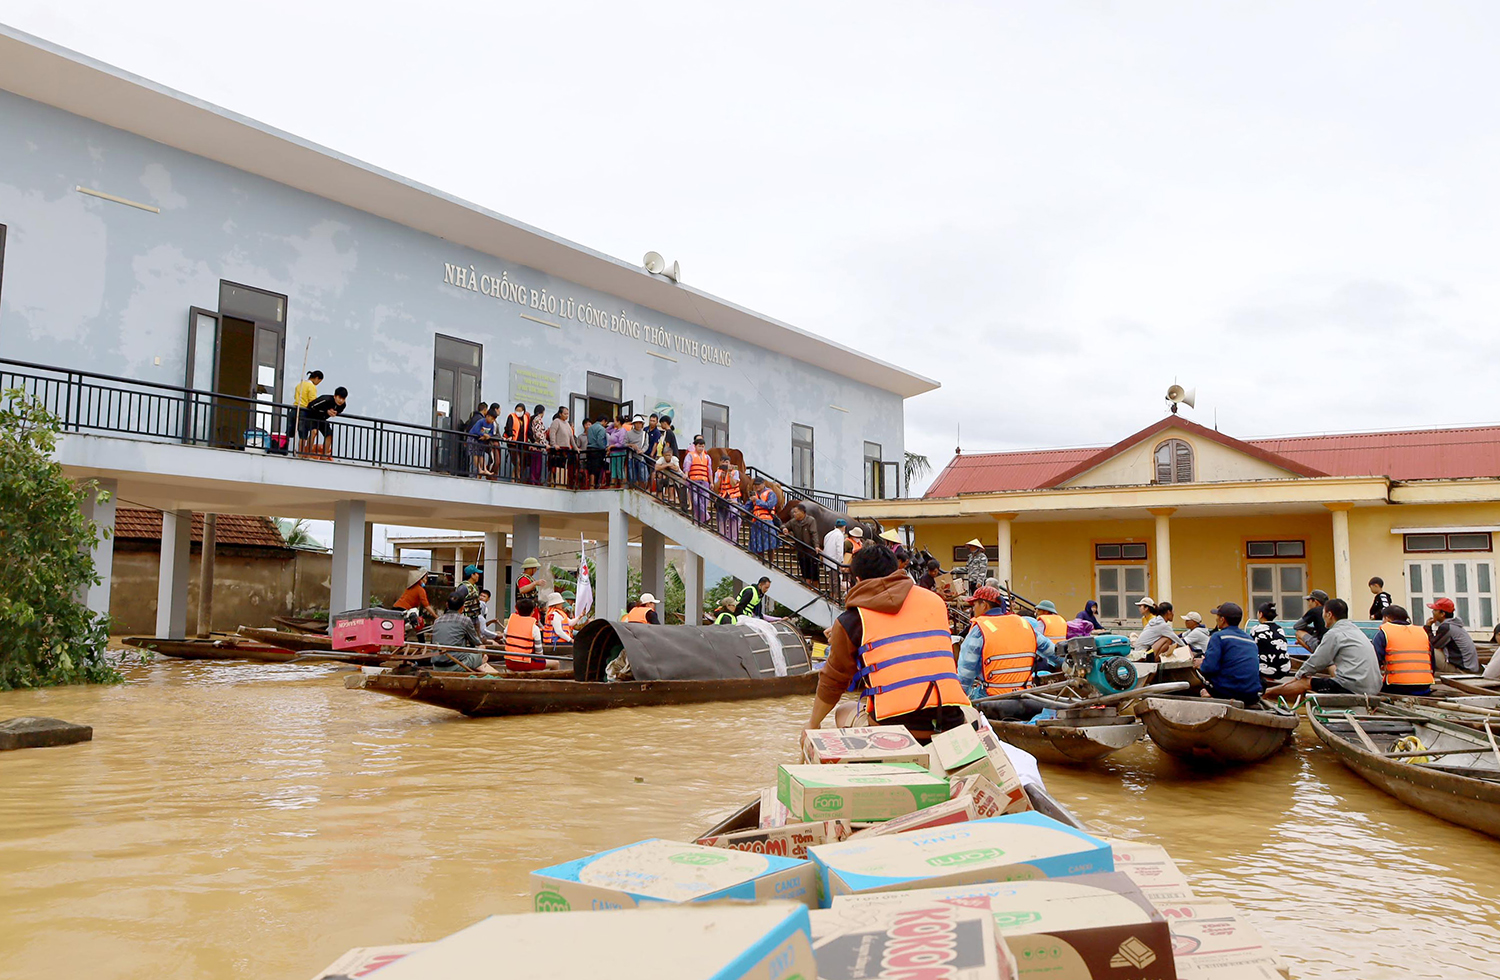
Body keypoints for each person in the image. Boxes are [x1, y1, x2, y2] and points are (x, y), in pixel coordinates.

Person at [809, 544, 971, 740]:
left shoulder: (852, 620)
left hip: (894, 730)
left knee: (843, 711)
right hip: (951, 723)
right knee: (970, 712)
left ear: (858, 579)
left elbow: (833, 682)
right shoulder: (935, 602)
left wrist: (812, 724)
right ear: (896, 570)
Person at [1266, 598, 1383, 699]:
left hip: (1353, 687)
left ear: (1329, 614)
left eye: (1323, 613)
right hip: (1374, 687)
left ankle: (1266, 694)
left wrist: (1299, 675)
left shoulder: (1334, 633)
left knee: (1304, 682)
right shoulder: (1357, 631)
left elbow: (1317, 662)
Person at [958, 585, 1044, 719]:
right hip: (1025, 695)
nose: (972, 609)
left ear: (984, 605)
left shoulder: (979, 629)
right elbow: (1052, 651)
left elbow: (966, 673)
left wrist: (961, 701)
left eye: (974, 605)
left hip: (992, 698)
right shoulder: (1023, 623)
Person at [1195, 603, 1264, 706]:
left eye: (1217, 617)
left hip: (1228, 691)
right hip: (1251, 693)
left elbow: (1209, 668)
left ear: (1222, 619)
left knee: (1196, 673)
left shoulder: (1218, 637)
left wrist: (1201, 663)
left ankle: (1206, 696)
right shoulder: (1249, 639)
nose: (1216, 619)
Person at [1371, 604, 1435, 695]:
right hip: (1424, 686)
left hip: (1397, 686)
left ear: (1387, 618)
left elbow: (1375, 661)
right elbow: (1432, 662)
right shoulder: (1422, 632)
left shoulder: (1384, 633)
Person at [429, 591, 495, 672]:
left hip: (436, 666)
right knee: (482, 648)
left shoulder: (437, 621)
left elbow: (433, 642)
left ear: (447, 605)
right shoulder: (465, 620)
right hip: (455, 666)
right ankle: (481, 666)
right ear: (463, 607)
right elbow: (476, 642)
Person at [1425, 597, 1480, 674]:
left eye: (1435, 610)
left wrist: (1428, 627)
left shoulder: (1446, 627)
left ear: (1442, 614)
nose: (1432, 612)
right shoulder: (1454, 625)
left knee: (1426, 648)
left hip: (1463, 670)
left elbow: (1432, 643)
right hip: (1469, 667)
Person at [502, 596, 549, 670]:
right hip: (525, 663)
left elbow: (504, 639)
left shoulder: (510, 623)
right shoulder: (534, 628)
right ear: (532, 612)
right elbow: (539, 652)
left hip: (509, 662)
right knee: (555, 663)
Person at [1248, 602, 1291, 681]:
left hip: (1264, 670)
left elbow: (1250, 649)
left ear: (1260, 614)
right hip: (1284, 669)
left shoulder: (1256, 629)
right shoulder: (1280, 629)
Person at [301, 387, 348, 457]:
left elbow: (338, 411)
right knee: (314, 432)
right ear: (335, 396)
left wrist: (334, 413)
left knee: (329, 434)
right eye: (340, 398)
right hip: (312, 417)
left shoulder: (343, 406)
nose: (341, 401)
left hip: (322, 419)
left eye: (343, 399)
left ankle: (325, 455)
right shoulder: (326, 399)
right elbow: (311, 405)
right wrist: (326, 411)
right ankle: (308, 452)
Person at [787, 503, 820, 587]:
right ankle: (807, 586)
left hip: (811, 550)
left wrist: (816, 546)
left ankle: (815, 588)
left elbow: (814, 533)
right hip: (801, 550)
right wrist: (784, 528)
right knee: (805, 571)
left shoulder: (810, 520)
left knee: (814, 571)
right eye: (793, 512)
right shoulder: (793, 522)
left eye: (796, 512)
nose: (794, 514)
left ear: (802, 512)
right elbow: (785, 525)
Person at [684, 435, 715, 523]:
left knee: (705, 500)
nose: (701, 448)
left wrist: (711, 482)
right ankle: (706, 516)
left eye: (702, 446)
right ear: (695, 446)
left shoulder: (707, 457)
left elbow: (709, 470)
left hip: (705, 481)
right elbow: (687, 465)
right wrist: (686, 474)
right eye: (699, 446)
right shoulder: (690, 455)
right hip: (694, 480)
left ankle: (700, 519)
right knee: (695, 500)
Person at [291, 369, 322, 450]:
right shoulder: (311, 387)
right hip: (303, 410)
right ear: (317, 378)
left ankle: (284, 448)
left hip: (294, 409)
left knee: (291, 431)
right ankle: (301, 453)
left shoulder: (299, 384)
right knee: (303, 434)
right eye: (319, 381)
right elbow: (312, 401)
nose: (318, 383)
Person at [748, 477, 780, 554]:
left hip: (767, 520)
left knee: (771, 544)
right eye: (755, 485)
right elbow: (747, 507)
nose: (757, 486)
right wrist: (736, 504)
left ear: (763, 484)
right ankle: (760, 561)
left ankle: (770, 563)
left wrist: (757, 500)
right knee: (758, 544)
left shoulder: (770, 493)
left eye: (759, 484)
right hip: (756, 521)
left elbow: (769, 505)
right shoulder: (754, 495)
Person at [715, 457, 744, 540]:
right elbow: (716, 488)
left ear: (729, 463)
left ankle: (733, 539)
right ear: (720, 463)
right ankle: (722, 536)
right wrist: (721, 478)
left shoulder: (735, 472)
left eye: (726, 462)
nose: (725, 464)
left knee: (734, 517)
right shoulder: (717, 473)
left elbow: (734, 484)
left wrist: (730, 474)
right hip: (722, 496)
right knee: (721, 517)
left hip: (733, 496)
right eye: (723, 462)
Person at [547, 407, 576, 485]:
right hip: (558, 448)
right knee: (555, 466)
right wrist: (554, 444)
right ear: (560, 414)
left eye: (567, 414)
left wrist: (575, 448)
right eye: (565, 414)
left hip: (566, 449)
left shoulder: (567, 424)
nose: (567, 416)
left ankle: (562, 482)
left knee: (564, 467)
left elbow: (571, 437)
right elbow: (552, 433)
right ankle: (554, 482)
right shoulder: (556, 422)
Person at [501, 402, 530, 480]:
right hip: (513, 443)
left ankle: (514, 478)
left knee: (522, 463)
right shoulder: (511, 416)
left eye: (520, 410)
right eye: (517, 410)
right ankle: (518, 478)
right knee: (516, 461)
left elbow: (528, 431)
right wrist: (510, 435)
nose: (518, 412)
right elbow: (508, 427)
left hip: (522, 444)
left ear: (524, 411)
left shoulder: (526, 418)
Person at [467, 406, 498, 478]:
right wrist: (484, 434)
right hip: (473, 438)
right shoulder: (481, 421)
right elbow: (476, 430)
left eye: (494, 419)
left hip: (481, 440)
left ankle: (484, 468)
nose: (493, 420)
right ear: (487, 416)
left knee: (481, 454)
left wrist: (487, 436)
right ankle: (479, 468)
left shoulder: (492, 424)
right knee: (475, 454)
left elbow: (491, 433)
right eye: (492, 418)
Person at [515, 557, 544, 623]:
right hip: (526, 611)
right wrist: (535, 583)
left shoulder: (529, 578)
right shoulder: (523, 579)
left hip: (531, 609)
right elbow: (522, 590)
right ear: (532, 569)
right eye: (536, 568)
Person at [585, 415, 609, 488]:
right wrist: (604, 449)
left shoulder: (590, 428)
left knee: (590, 467)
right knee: (596, 467)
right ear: (603, 421)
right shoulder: (601, 429)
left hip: (589, 449)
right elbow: (600, 440)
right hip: (597, 450)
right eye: (606, 423)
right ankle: (595, 484)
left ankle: (591, 484)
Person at [527, 403, 549, 484]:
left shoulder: (532, 419)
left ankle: (533, 479)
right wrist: (545, 444)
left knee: (534, 464)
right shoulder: (538, 419)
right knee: (537, 465)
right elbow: (538, 433)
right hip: (538, 445)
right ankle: (535, 480)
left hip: (534, 445)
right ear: (542, 412)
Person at [623, 415, 648, 484]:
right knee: (632, 476)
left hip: (641, 457)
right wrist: (631, 445)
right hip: (631, 457)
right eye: (637, 423)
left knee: (643, 476)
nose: (638, 425)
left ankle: (642, 490)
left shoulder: (644, 434)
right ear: (634, 424)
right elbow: (624, 444)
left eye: (640, 423)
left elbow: (646, 445)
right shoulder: (628, 433)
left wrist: (642, 451)